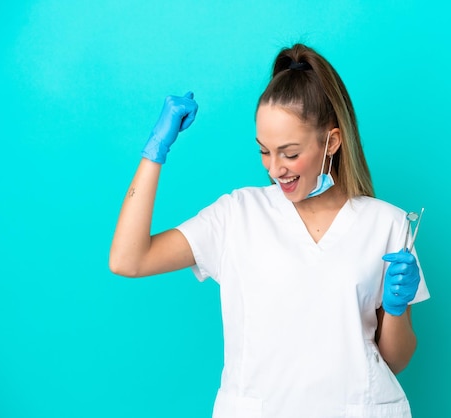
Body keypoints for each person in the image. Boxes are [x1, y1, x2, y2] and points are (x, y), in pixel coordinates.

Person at [110, 43, 430, 418]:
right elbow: (129, 259)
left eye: (290, 153)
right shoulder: (237, 215)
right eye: (265, 151)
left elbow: (397, 359)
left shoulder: (387, 224)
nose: (275, 169)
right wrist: (155, 151)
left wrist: (394, 310)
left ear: (333, 141)